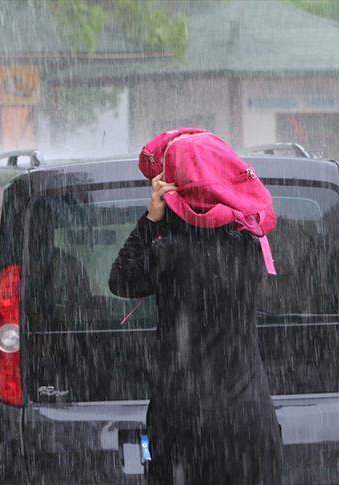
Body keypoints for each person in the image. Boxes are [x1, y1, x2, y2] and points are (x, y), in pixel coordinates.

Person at [109, 129, 282, 485]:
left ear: (172, 191)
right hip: (248, 417)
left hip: (184, 422)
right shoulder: (248, 248)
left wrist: (151, 220)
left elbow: (121, 279)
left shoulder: (168, 253)